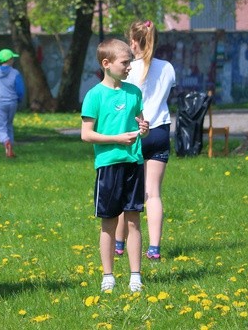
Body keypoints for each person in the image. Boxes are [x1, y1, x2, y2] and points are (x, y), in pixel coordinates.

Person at [80, 38, 149, 293]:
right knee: (109, 222)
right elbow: (86, 134)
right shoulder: (94, 95)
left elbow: (141, 124)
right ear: (106, 64)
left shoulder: (134, 92)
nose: (129, 67)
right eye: (125, 62)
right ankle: (108, 276)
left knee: (133, 221)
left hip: (134, 163)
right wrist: (116, 139)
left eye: (130, 62)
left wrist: (144, 128)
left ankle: (135, 276)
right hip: (108, 166)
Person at [114, 20, 176, 261]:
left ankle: (119, 244)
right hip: (160, 131)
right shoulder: (168, 67)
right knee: (153, 193)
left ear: (132, 43)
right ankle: (154, 248)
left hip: (134, 133)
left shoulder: (127, 70)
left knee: (125, 192)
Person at [0, 48, 25, 157]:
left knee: (1, 126)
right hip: (12, 102)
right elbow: (20, 90)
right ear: (10, 60)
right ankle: (9, 149)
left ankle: (6, 141)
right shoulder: (15, 73)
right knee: (9, 124)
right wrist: (19, 99)